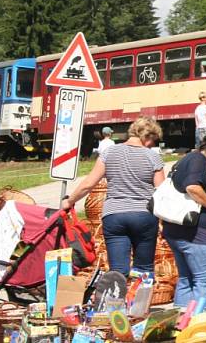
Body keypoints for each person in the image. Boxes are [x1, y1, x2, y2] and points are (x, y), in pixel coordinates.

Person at [61, 116, 164, 277]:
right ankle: (141, 301)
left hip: (114, 216)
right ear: (147, 136)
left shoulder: (109, 152)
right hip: (144, 216)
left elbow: (89, 183)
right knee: (144, 270)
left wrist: (69, 201)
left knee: (118, 271)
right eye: (153, 140)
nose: (152, 145)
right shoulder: (153, 157)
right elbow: (160, 191)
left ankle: (116, 300)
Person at [162, 132, 206, 307]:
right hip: (195, 235)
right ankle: (197, 324)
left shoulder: (185, 160)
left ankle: (181, 322)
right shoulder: (198, 160)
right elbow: (192, 187)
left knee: (187, 278)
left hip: (177, 231)